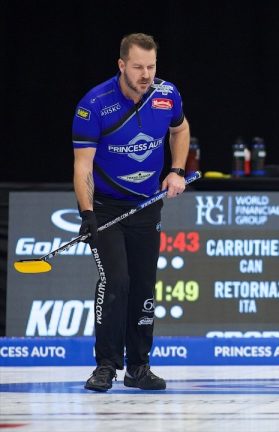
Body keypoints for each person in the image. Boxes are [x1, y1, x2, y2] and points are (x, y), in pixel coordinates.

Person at [72, 33, 190, 392]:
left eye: (151, 67)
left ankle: (139, 367)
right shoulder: (94, 104)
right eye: (138, 66)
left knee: (142, 286)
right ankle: (106, 365)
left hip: (146, 205)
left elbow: (180, 130)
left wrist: (178, 170)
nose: (145, 74)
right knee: (116, 282)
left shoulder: (167, 95)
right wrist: (87, 213)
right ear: (122, 65)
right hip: (107, 209)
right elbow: (83, 166)